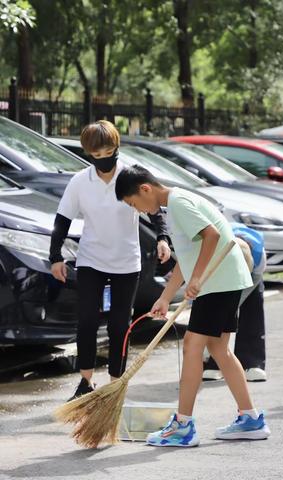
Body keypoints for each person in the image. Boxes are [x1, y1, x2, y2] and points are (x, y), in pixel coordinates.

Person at [115, 164, 271, 447]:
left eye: (133, 203)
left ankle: (183, 426)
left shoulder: (179, 204)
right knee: (219, 349)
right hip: (225, 281)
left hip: (218, 283)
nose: (136, 209)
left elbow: (211, 235)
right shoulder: (174, 206)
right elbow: (188, 258)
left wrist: (198, 278)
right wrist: (165, 297)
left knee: (192, 346)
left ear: (145, 189)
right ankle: (251, 418)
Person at [49, 120, 171, 401]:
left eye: (109, 153)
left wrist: (163, 238)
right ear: (89, 154)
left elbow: (154, 208)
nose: (104, 161)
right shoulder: (80, 181)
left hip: (126, 261)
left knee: (119, 324)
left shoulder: (131, 175)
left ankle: (115, 383)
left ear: (117, 147)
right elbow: (62, 219)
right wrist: (55, 256)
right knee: (88, 320)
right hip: (91, 258)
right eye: (97, 156)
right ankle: (85, 381)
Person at [203, 223, 267, 382]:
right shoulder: (212, 250)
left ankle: (252, 363)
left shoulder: (258, 258)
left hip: (252, 278)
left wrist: (228, 309)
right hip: (219, 271)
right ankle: (213, 363)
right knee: (211, 308)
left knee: (252, 309)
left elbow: (241, 295)